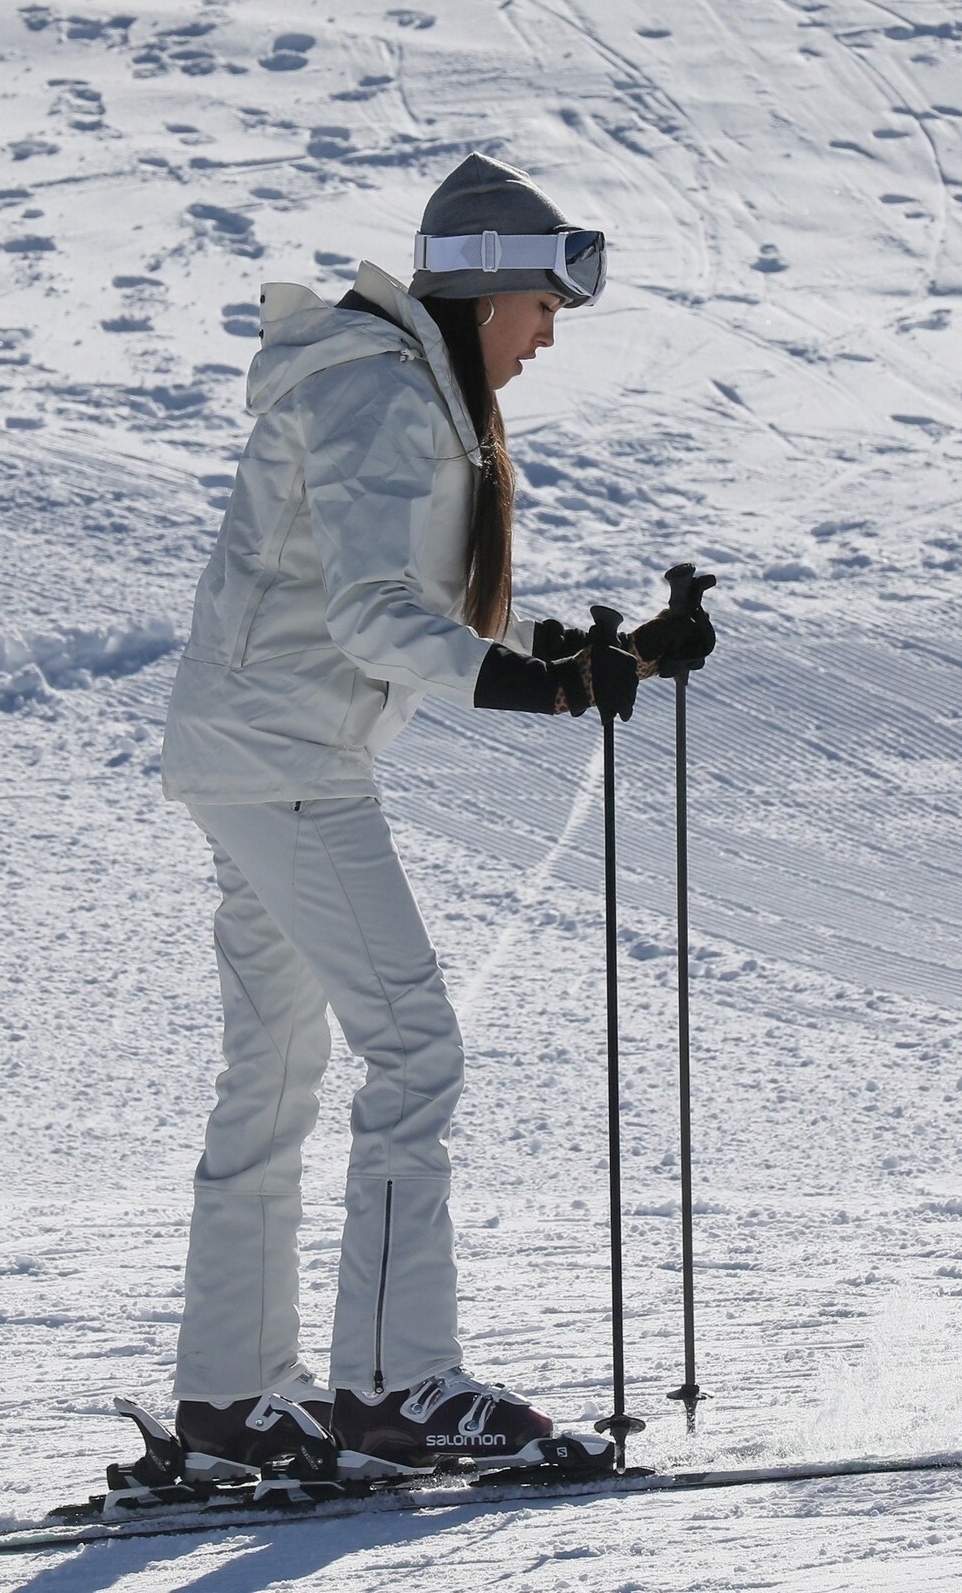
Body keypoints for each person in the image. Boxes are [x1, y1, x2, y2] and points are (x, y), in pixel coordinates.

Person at [158, 152, 715, 1481]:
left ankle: (235, 1400)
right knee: (414, 1050)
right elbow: (375, 620)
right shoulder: (390, 396)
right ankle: (399, 1385)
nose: (545, 342)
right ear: (484, 294)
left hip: (254, 750)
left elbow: (402, 598)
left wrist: (608, 656)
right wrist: (541, 684)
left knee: (273, 1072)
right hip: (290, 760)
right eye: (542, 311)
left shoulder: (385, 384)